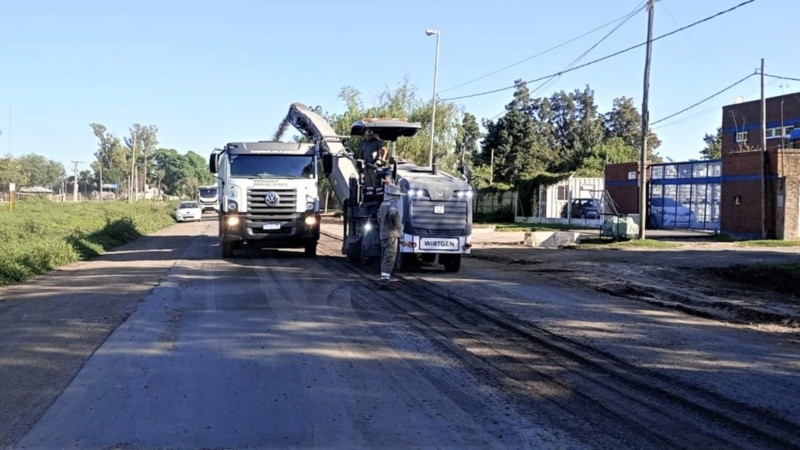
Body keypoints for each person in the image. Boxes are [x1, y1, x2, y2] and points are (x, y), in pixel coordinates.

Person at [377, 182, 403, 290]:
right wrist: (393, 226)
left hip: (383, 234)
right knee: (390, 258)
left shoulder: (383, 204)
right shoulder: (392, 204)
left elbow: (379, 218)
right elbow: (392, 214)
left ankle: (384, 278)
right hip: (391, 235)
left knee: (384, 257)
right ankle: (384, 282)